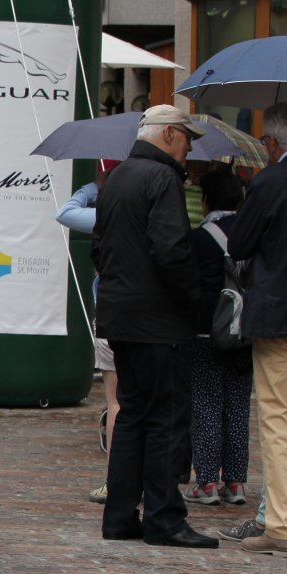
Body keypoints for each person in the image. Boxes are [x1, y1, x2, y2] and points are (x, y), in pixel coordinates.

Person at [91, 104, 215, 548]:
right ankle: (164, 518)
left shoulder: (117, 177)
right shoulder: (162, 178)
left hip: (122, 315)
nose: (189, 148)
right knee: (165, 418)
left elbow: (98, 248)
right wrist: (191, 300)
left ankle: (120, 515)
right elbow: (171, 250)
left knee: (133, 414)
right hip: (159, 320)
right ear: (168, 135)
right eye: (187, 138)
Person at [226, 101, 287, 558]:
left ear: (274, 142)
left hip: (280, 315)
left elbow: (239, 243)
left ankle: (282, 525)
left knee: (278, 420)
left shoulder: (270, 181)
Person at [181, 168, 251, 507]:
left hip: (205, 329)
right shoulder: (251, 235)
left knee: (207, 403)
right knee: (238, 405)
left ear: (206, 200)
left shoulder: (198, 238)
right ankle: (235, 483)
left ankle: (206, 482)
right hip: (243, 330)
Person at [56, 161, 118, 504]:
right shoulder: (152, 211)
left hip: (113, 312)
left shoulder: (107, 214)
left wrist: (96, 187)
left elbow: (65, 213)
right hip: (150, 315)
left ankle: (115, 480)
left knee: (116, 402)